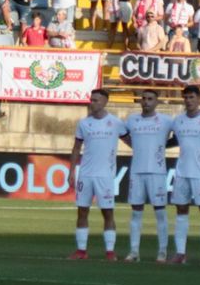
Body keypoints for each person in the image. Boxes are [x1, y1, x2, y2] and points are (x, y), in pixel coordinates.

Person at [167, 86, 200, 264]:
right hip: (182, 172)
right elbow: (175, 140)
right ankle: (180, 253)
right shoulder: (178, 121)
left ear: (199, 98)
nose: (188, 100)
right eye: (186, 97)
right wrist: (158, 146)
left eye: (191, 97)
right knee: (181, 211)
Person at [68, 87, 123, 260]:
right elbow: (76, 148)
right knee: (82, 211)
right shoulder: (84, 123)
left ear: (105, 102)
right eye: (91, 100)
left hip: (105, 175)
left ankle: (110, 251)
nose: (92, 103)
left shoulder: (116, 123)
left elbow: (131, 141)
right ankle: (81, 251)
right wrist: (72, 170)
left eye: (96, 100)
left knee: (108, 212)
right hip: (85, 174)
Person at [121, 88, 172, 263]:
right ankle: (134, 251)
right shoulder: (132, 120)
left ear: (156, 102)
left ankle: (162, 252)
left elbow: (179, 136)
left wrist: (163, 145)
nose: (146, 101)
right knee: (136, 212)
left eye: (150, 99)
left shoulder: (166, 120)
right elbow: (123, 135)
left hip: (157, 172)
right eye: (144, 98)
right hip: (137, 171)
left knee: (160, 213)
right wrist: (135, 145)